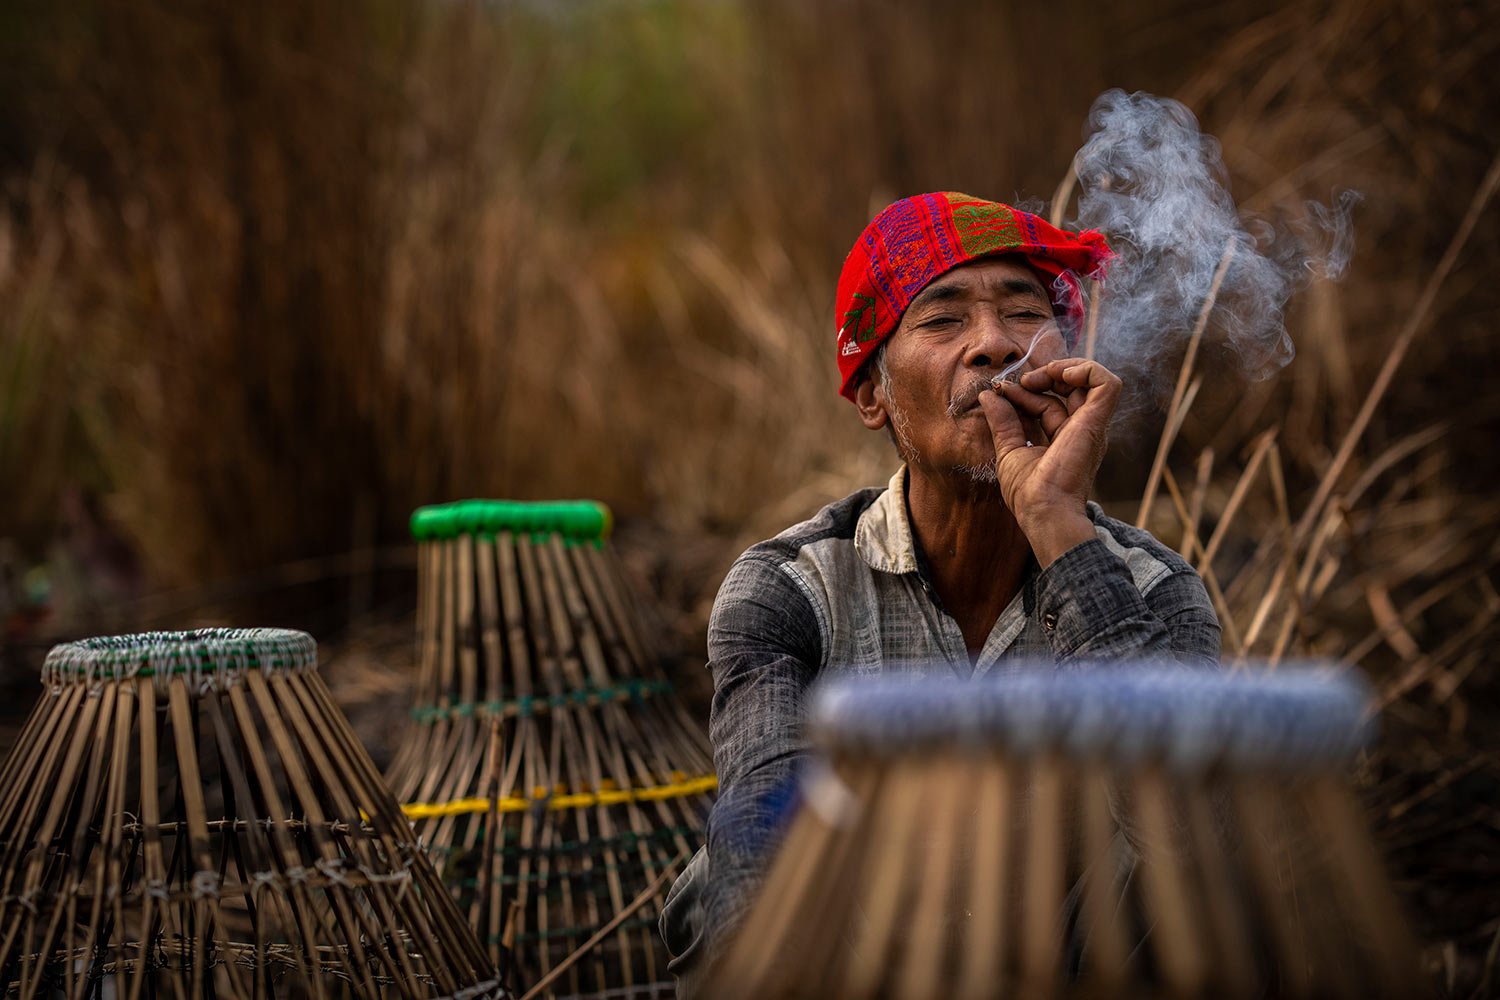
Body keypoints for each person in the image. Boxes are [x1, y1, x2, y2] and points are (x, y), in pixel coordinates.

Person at [659, 191, 1220, 992]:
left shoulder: (1153, 589)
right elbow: (762, 851)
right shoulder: (789, 590)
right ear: (871, 396)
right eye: (943, 320)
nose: (994, 345)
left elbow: (1197, 846)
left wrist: (1056, 522)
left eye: (1024, 314)